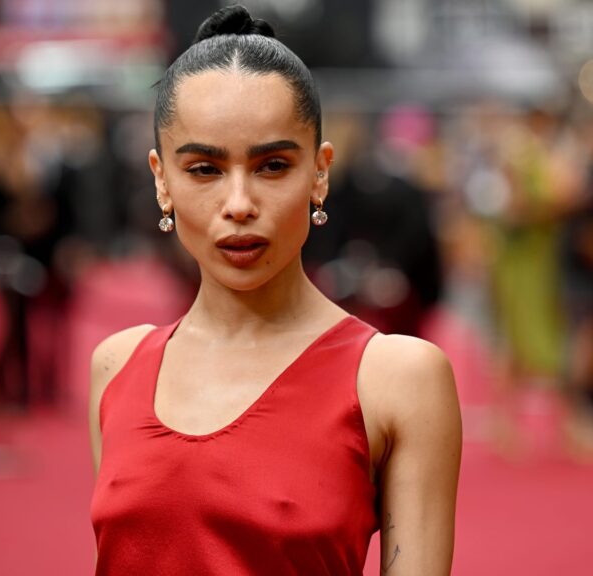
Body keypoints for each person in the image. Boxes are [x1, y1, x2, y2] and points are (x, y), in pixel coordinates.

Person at [88, 6, 461, 575]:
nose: (239, 204)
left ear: (320, 172)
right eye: (204, 169)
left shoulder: (397, 378)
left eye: (272, 166)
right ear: (161, 180)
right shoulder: (116, 366)